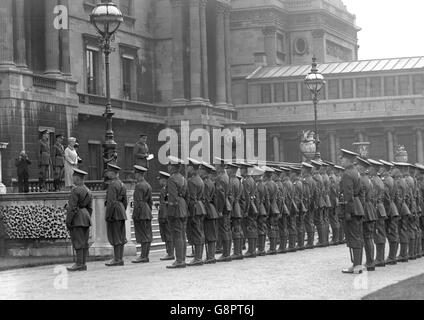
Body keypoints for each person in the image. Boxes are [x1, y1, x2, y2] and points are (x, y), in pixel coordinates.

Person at [340, 149, 364, 274]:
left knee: (354, 237)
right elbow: (360, 192)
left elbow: (348, 194)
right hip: (357, 206)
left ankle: (356, 266)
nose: (341, 160)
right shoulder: (356, 172)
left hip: (352, 208)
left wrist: (348, 211)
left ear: (348, 160)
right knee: (358, 237)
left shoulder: (347, 174)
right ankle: (357, 265)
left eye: (342, 158)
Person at [65, 168, 93, 272]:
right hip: (86, 218)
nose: (73, 179)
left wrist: (68, 221)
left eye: (74, 177)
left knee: (77, 241)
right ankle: (83, 263)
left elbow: (72, 208)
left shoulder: (75, 190)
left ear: (77, 178)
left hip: (77, 218)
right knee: (84, 242)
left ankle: (79, 264)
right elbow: (90, 208)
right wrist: (86, 217)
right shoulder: (88, 190)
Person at [166, 156, 188, 269]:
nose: (168, 167)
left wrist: (170, 214)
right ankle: (182, 259)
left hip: (176, 210)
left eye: (169, 165)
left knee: (177, 235)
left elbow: (172, 199)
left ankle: (179, 260)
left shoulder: (171, 179)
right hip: (183, 207)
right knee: (182, 235)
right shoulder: (183, 178)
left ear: (172, 167)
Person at [104, 164, 128, 267]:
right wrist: (122, 209)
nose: (107, 173)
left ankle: (117, 259)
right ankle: (119, 258)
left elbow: (110, 202)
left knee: (116, 235)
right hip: (121, 210)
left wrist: (108, 215)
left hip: (114, 212)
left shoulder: (112, 185)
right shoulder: (122, 184)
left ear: (113, 173)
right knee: (121, 235)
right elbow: (125, 201)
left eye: (109, 172)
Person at [356, 157, 377, 272]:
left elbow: (362, 198)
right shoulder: (367, 179)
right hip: (370, 209)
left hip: (365, 210)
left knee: (366, 237)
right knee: (368, 237)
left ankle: (370, 262)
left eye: (358, 165)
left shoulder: (361, 180)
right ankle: (370, 261)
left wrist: (360, 212)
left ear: (361, 167)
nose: (356, 167)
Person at [186, 158, 206, 266]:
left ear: (192, 168)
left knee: (196, 232)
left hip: (195, 208)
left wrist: (190, 212)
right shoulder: (200, 180)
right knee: (200, 232)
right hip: (200, 207)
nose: (187, 168)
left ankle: (197, 258)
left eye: (189, 166)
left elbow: (191, 199)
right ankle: (198, 256)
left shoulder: (192, 181)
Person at [379, 160, 399, 265]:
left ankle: (392, 257)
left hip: (389, 210)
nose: (380, 169)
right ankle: (393, 256)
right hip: (393, 208)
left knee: (391, 233)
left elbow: (386, 198)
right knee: (393, 232)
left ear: (384, 169)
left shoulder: (386, 180)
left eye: (381, 168)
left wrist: (385, 213)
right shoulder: (391, 179)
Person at [368, 159, 388, 267]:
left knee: (378, 233)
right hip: (380, 208)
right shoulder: (379, 180)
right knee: (380, 232)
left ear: (373, 169)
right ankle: (380, 258)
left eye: (370, 168)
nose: (368, 170)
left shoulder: (374, 181)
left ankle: (379, 259)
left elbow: (373, 197)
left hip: (376, 208)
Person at [132, 165, 153, 263]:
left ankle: (143, 256)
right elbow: (150, 201)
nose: (135, 175)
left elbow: (138, 202)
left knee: (143, 234)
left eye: (135, 173)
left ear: (139, 174)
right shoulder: (148, 185)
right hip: (147, 211)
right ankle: (145, 255)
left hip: (141, 212)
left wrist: (136, 214)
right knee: (147, 234)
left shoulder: (139, 185)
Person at [200, 162, 219, 264]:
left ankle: (211, 256)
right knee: (210, 234)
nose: (199, 171)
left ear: (205, 172)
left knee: (210, 235)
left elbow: (206, 199)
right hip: (211, 210)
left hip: (208, 210)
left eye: (201, 170)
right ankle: (210, 256)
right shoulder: (209, 181)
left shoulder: (206, 183)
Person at [215, 157, 232, 262]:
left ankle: (226, 254)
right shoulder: (225, 176)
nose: (214, 167)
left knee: (224, 230)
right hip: (227, 205)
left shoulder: (221, 177)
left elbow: (221, 195)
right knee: (226, 229)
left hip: (223, 206)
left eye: (216, 165)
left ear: (220, 166)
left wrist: (219, 209)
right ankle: (227, 253)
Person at [241, 162, 259, 258]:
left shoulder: (246, 181)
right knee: (252, 227)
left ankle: (251, 250)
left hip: (249, 206)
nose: (240, 171)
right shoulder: (251, 179)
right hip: (253, 205)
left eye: (242, 169)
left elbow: (247, 197)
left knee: (250, 228)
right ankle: (252, 249)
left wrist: (246, 210)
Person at [228, 163, 244, 260]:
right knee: (238, 228)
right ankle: (239, 251)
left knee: (235, 230)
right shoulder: (238, 181)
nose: (226, 170)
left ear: (232, 170)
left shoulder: (232, 181)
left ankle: (237, 252)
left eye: (228, 168)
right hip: (237, 207)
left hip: (233, 207)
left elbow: (231, 197)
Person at [157, 171, 175, 261]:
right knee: (167, 234)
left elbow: (166, 203)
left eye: (160, 180)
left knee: (168, 234)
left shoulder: (166, 189)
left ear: (164, 180)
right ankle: (169, 252)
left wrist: (163, 215)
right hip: (164, 214)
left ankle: (170, 253)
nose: (159, 182)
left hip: (166, 215)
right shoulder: (164, 189)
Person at [263, 166, 280, 254]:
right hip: (275, 207)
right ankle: (273, 247)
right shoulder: (274, 184)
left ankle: (272, 248)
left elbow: (267, 199)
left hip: (270, 208)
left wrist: (266, 211)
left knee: (270, 228)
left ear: (265, 175)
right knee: (274, 227)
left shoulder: (266, 185)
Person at [301, 162, 316, 249]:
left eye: (302, 168)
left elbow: (306, 193)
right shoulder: (312, 180)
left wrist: (305, 205)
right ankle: (311, 241)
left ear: (306, 170)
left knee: (308, 222)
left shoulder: (306, 180)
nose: (301, 170)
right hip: (311, 203)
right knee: (310, 222)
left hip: (307, 203)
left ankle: (310, 242)